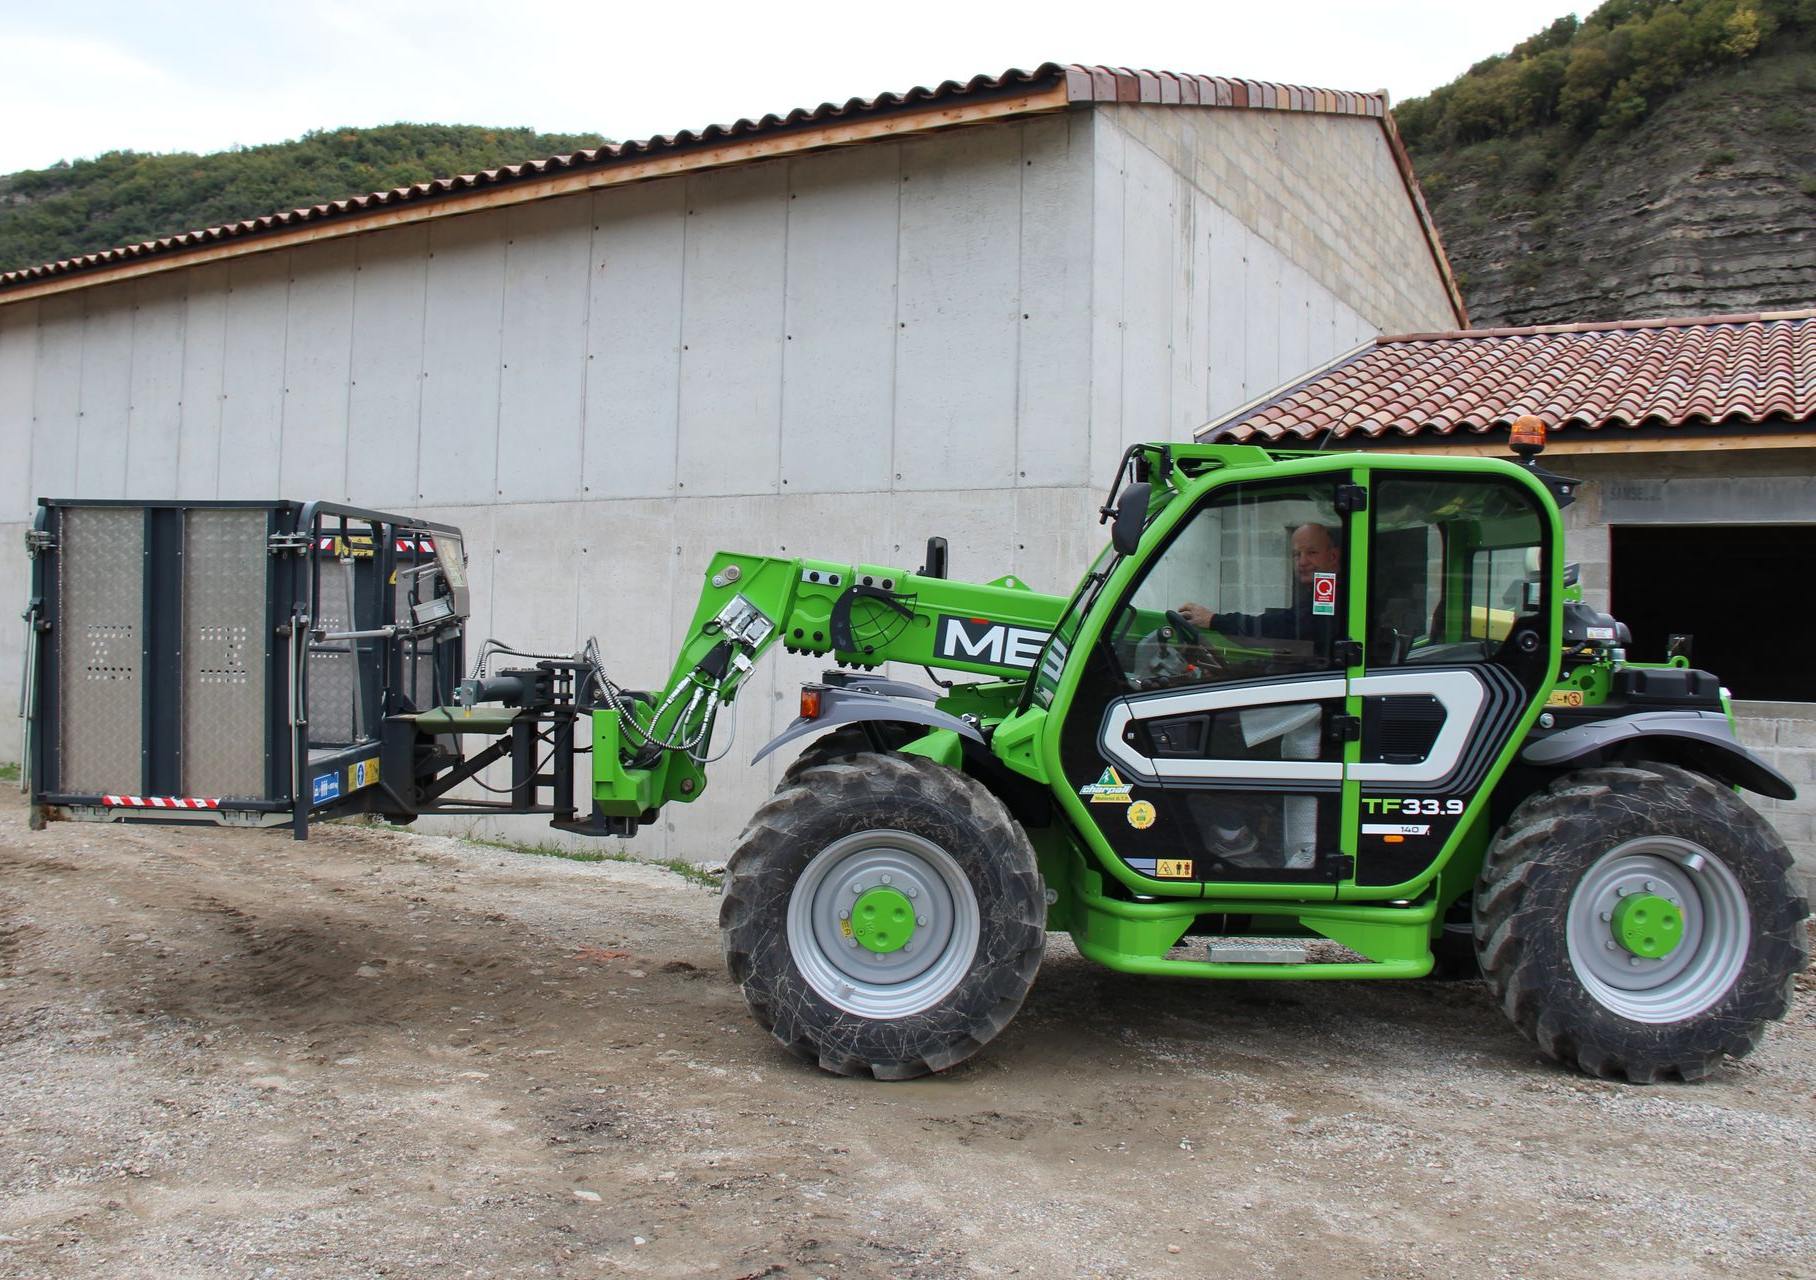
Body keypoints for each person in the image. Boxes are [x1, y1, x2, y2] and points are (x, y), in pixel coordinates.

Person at [1177, 522, 1340, 641]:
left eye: (1312, 552)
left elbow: (1287, 627)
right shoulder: (1323, 591)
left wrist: (1215, 620)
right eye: (1297, 554)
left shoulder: (1334, 594)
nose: (1302, 562)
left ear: (1333, 556)